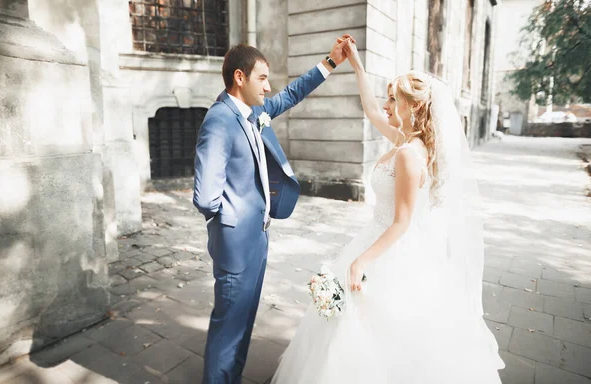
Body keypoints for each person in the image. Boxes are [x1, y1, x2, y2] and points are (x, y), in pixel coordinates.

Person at [271, 40, 505, 384]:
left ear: (414, 105)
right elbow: (370, 110)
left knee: (371, 336)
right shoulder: (406, 141)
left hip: (390, 249)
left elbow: (403, 222)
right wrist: (357, 66)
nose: (387, 104)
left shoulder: (409, 153)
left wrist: (361, 261)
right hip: (376, 236)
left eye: (394, 98)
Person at [193, 35, 353, 384]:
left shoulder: (256, 112)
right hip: (236, 244)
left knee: (244, 321)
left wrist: (331, 61)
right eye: (262, 77)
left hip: (259, 238)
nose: (268, 85)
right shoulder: (219, 120)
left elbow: (291, 94)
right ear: (240, 77)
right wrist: (232, 219)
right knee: (228, 326)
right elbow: (206, 197)